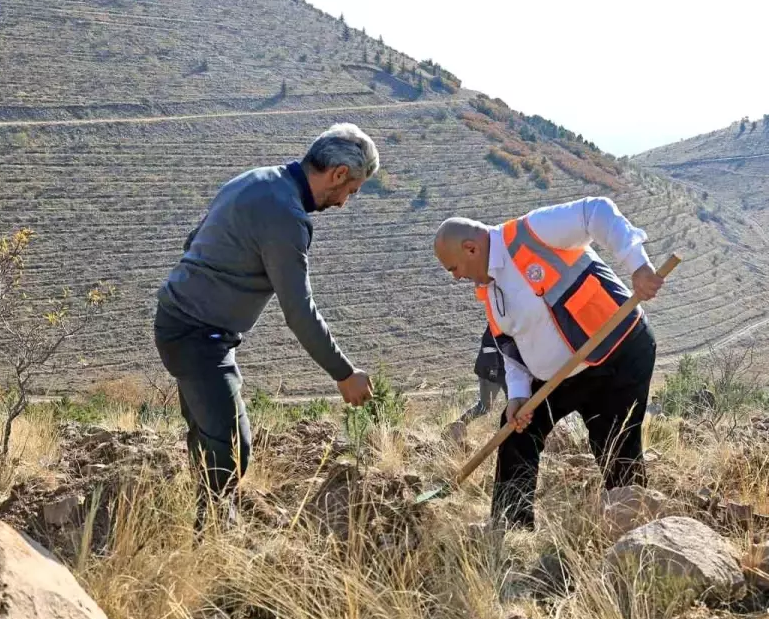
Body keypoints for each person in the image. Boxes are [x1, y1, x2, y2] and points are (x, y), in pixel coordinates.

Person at [154, 123, 378, 528]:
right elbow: (299, 310)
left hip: (184, 322)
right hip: (196, 335)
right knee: (233, 447)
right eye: (351, 191)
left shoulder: (255, 179)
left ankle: (211, 523)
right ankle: (211, 536)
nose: (345, 202)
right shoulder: (287, 216)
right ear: (339, 174)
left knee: (210, 437)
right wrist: (344, 374)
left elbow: (194, 240)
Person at [433, 196, 665, 530]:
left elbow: (596, 211)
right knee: (516, 430)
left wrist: (638, 265)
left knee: (616, 448)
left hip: (618, 352)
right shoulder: (490, 290)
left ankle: (637, 535)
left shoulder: (531, 233)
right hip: (563, 374)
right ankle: (512, 529)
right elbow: (510, 347)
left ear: (471, 248)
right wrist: (517, 396)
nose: (456, 277)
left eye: (453, 269)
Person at [458, 325, 509, 423]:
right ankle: (456, 428)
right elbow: (488, 346)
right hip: (490, 372)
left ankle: (513, 435)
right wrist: (493, 372)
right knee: (484, 408)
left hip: (508, 372)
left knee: (517, 407)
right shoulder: (499, 318)